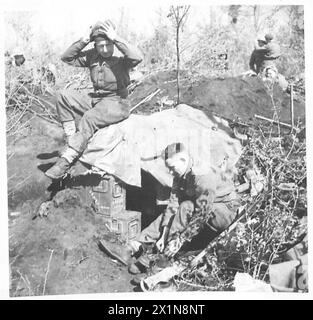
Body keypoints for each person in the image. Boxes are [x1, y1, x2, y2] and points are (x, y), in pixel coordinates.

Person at [99, 142, 241, 274]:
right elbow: (173, 204)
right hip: (205, 204)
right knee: (172, 211)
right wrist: (164, 234)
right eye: (168, 169)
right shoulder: (179, 172)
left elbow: (202, 214)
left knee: (186, 207)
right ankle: (132, 247)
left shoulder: (203, 176)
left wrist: (179, 240)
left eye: (172, 168)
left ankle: (164, 258)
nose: (171, 172)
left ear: (183, 160)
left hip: (226, 210)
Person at [45, 20, 143, 180]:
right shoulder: (92, 56)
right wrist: (84, 40)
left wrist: (117, 38)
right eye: (100, 45)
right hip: (97, 99)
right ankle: (72, 141)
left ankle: (67, 159)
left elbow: (137, 57)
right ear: (95, 45)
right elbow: (67, 58)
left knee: (89, 118)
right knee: (63, 95)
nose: (105, 49)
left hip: (117, 102)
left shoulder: (121, 57)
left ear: (113, 42)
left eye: (108, 44)